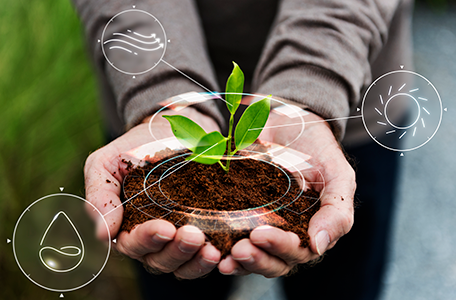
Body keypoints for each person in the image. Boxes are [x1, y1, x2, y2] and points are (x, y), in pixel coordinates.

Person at [73, 0, 414, 299]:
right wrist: (162, 88)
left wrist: (313, 83)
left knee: (340, 280)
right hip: (148, 108)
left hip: (345, 89)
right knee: (174, 270)